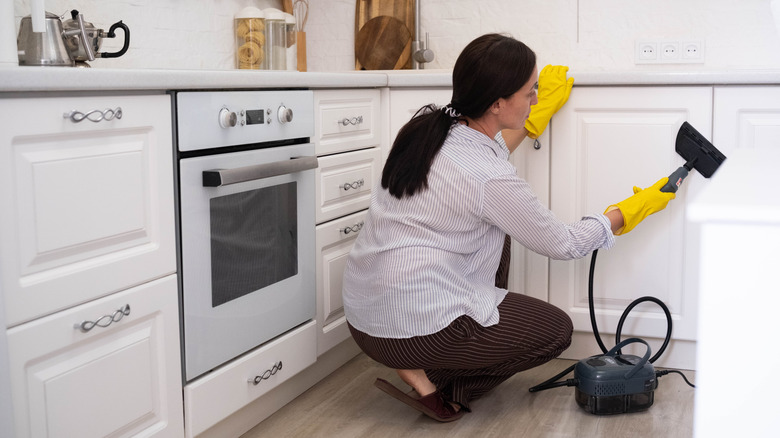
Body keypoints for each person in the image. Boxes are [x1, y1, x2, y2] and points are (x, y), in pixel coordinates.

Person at [341, 33, 675, 422]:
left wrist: (536, 118)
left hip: (365, 320)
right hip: (415, 327)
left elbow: (485, 158)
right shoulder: (490, 177)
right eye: (531, 91)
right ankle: (441, 387)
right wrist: (626, 212)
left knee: (494, 237)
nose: (536, 97)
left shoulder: (425, 129)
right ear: (497, 103)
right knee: (555, 331)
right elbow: (563, 243)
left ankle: (418, 362)